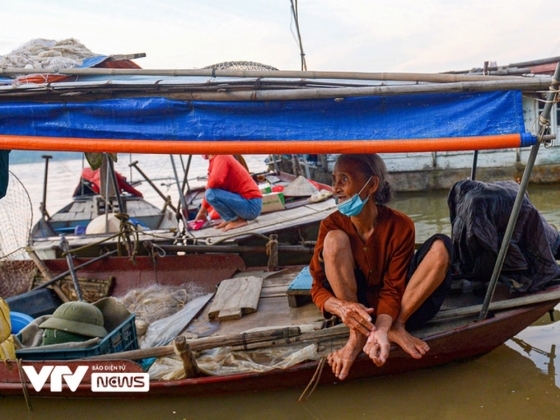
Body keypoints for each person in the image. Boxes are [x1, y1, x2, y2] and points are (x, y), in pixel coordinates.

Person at [309, 154, 452, 381]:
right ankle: (356, 337)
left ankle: (397, 327)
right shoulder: (331, 224)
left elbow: (394, 287)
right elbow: (317, 287)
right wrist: (344, 309)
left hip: (400, 308)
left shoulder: (401, 226)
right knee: (334, 240)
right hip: (358, 312)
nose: (335, 188)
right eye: (334, 179)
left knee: (441, 247)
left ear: (372, 185)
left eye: (344, 179)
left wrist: (386, 327)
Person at [193, 155, 263, 231]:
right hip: (247, 204)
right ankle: (231, 219)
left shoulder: (221, 156)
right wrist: (202, 212)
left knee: (210, 194)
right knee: (210, 193)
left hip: (251, 205)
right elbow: (212, 186)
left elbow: (214, 182)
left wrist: (208, 184)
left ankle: (236, 220)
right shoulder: (216, 160)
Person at [72, 167, 143, 198]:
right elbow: (129, 188)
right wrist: (140, 194)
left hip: (87, 178)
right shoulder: (118, 178)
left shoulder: (114, 175)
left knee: (76, 196)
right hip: (89, 181)